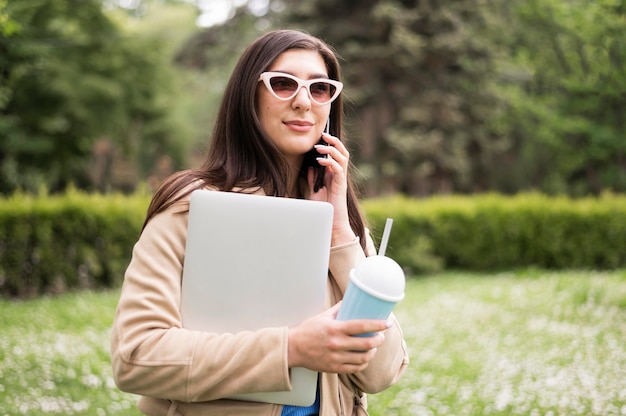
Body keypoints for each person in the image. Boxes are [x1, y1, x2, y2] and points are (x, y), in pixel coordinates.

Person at [110, 29, 409, 416]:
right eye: (283, 84)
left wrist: (339, 233)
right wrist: (292, 349)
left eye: (320, 89)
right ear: (248, 99)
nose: (304, 102)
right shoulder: (190, 207)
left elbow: (382, 373)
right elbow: (136, 356)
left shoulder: (341, 221)